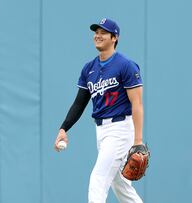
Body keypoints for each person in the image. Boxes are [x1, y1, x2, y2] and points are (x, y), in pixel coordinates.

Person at [54, 18, 144, 203]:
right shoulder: (89, 69)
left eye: (103, 32)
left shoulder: (125, 65)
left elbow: (137, 104)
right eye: (96, 32)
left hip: (120, 129)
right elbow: (79, 103)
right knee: (121, 186)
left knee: (98, 179)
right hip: (101, 131)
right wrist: (64, 128)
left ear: (114, 37)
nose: (98, 35)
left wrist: (138, 141)